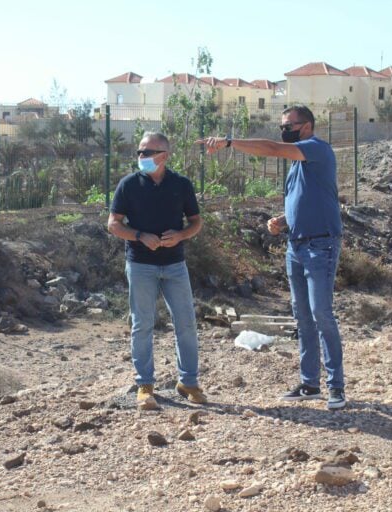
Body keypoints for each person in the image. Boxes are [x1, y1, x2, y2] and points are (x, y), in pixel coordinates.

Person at [197, 106, 346, 410]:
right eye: (282, 126)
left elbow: (273, 148)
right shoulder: (297, 168)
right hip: (297, 245)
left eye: (288, 125)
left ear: (306, 126)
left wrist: (229, 142)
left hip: (321, 246)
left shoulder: (316, 149)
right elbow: (306, 200)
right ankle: (309, 384)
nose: (284, 130)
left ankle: (336, 387)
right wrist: (283, 220)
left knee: (321, 315)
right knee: (303, 318)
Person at [108, 132, 205, 411]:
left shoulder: (181, 185)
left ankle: (188, 382)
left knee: (186, 323)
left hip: (175, 264)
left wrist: (181, 235)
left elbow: (196, 222)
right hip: (140, 264)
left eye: (147, 152)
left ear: (164, 155)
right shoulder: (128, 185)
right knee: (142, 325)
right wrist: (139, 235)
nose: (142, 157)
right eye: (139, 152)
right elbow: (113, 224)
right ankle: (145, 385)